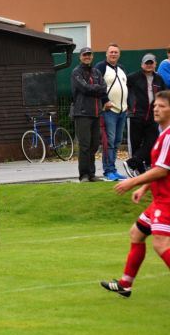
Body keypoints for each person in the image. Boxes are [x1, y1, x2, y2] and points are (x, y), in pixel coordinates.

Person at [102, 90, 170, 297]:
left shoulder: (168, 136)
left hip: (167, 202)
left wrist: (132, 181)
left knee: (160, 244)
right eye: (155, 105)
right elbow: (161, 167)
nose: (156, 109)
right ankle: (125, 284)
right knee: (136, 233)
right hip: (159, 199)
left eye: (162, 106)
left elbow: (162, 170)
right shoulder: (162, 134)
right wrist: (144, 187)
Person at [124, 54, 167, 176]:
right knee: (135, 143)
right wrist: (129, 104)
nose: (149, 65)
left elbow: (163, 96)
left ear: (155, 64)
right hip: (136, 115)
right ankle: (138, 169)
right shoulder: (133, 77)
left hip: (153, 117)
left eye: (151, 63)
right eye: (146, 63)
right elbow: (122, 89)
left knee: (152, 141)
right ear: (142, 64)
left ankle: (133, 163)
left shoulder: (159, 79)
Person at [71, 47, 108, 182]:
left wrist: (95, 88)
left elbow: (104, 88)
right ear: (80, 57)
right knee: (85, 145)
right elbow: (84, 88)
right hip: (82, 113)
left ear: (92, 56)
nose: (87, 57)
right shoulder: (76, 72)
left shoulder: (97, 72)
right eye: (85, 55)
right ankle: (84, 175)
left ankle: (92, 174)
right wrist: (97, 88)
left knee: (94, 145)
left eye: (89, 55)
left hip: (96, 113)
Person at [95, 43, 129, 181]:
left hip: (122, 111)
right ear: (106, 54)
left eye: (116, 52)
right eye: (111, 52)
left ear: (119, 54)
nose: (113, 54)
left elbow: (125, 87)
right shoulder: (100, 67)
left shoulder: (121, 69)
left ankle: (113, 169)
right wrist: (104, 101)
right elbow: (97, 85)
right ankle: (108, 171)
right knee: (109, 141)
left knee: (117, 141)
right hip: (109, 111)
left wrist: (128, 105)